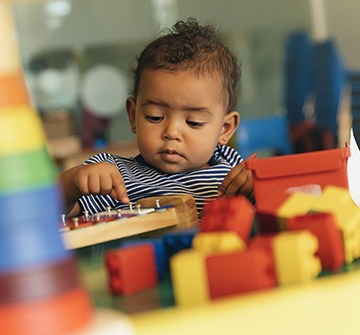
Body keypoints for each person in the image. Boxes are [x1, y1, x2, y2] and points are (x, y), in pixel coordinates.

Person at [59, 17, 253, 218]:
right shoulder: (115, 177)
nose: (171, 132)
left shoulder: (232, 175)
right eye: (155, 117)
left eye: (193, 122)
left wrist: (258, 187)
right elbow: (49, 211)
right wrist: (73, 182)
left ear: (225, 129)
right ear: (133, 116)